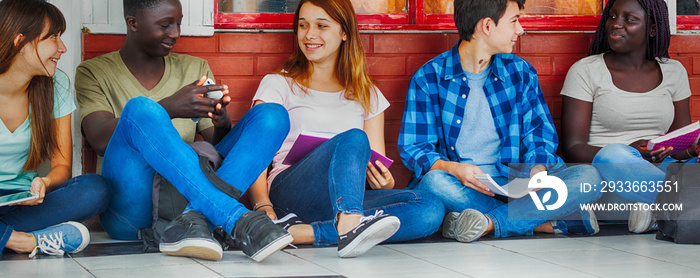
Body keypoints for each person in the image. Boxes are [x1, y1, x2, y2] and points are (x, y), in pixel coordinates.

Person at [75, 0, 292, 262]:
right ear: (132, 23)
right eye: (165, 25)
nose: (176, 33)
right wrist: (170, 107)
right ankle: (233, 218)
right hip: (133, 209)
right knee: (140, 110)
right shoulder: (94, 72)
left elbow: (216, 147)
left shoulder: (195, 67)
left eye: (178, 23)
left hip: (185, 198)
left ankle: (193, 219)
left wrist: (222, 121)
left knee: (273, 116)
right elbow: (98, 139)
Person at [250, 0, 444, 258]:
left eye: (321, 26)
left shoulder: (367, 94)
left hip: (342, 200)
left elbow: (375, 165)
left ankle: (305, 233)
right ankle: (351, 225)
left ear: (344, 32)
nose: (309, 35)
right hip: (291, 191)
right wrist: (262, 205)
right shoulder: (278, 83)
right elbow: (255, 154)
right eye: (303, 25)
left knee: (429, 206)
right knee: (353, 138)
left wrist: (385, 182)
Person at [398, 0, 604, 243]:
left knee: (589, 176)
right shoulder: (428, 77)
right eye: (514, 21)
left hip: (515, 187)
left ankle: (486, 222)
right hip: (462, 187)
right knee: (433, 183)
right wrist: (454, 169)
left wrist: (537, 169)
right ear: (487, 26)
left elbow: (540, 133)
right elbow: (415, 147)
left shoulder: (521, 73)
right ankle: (536, 223)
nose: (520, 30)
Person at [560, 0, 694, 233]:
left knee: (689, 167)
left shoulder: (675, 71)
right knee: (613, 154)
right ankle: (680, 204)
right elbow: (573, 147)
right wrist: (630, 151)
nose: (615, 25)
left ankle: (655, 209)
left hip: (657, 172)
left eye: (629, 20)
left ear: (652, 28)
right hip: (612, 175)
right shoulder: (586, 70)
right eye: (612, 17)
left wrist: (693, 149)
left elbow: (681, 145)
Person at [0, 0, 110, 258]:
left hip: (22, 202)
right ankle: (22, 241)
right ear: (20, 42)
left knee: (96, 189)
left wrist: (45, 182)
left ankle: (8, 235)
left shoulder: (55, 85)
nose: (62, 48)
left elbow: (62, 166)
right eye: (53, 37)